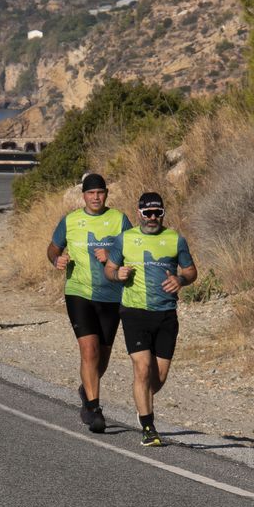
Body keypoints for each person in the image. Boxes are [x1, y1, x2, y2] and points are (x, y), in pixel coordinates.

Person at [100, 191, 196, 446]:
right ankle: (148, 426)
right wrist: (116, 274)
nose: (152, 218)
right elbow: (109, 269)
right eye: (148, 213)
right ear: (139, 213)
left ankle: (141, 395)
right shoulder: (125, 239)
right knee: (142, 369)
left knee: (158, 378)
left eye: (158, 213)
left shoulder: (175, 239)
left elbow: (190, 271)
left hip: (166, 314)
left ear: (163, 214)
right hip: (134, 312)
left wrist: (180, 280)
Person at [48, 172, 131, 432]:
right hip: (79, 292)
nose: (96, 197)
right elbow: (53, 247)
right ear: (83, 195)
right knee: (89, 351)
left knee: (102, 359)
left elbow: (133, 251)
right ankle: (94, 409)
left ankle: (86, 390)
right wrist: (56, 259)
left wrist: (112, 255)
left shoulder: (119, 220)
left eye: (100, 193)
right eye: (91, 193)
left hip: (112, 295)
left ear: (106, 194)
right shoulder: (71, 220)